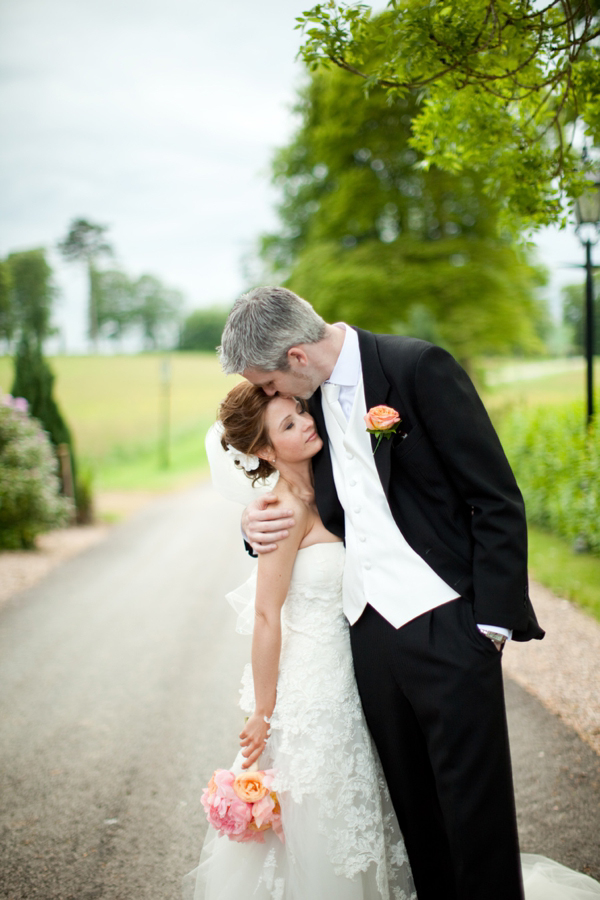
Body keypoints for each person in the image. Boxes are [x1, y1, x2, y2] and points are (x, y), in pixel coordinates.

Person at [217, 285, 562, 900]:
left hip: (451, 626)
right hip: (367, 640)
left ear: (296, 357)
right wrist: (253, 529)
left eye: (267, 383)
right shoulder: (307, 409)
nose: (270, 397)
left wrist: (491, 625)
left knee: (475, 819)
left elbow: (496, 498)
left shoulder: (417, 368)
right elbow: (298, 498)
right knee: (416, 820)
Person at [184, 381, 417, 900]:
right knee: (325, 819)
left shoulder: (333, 480)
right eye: (288, 425)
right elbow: (267, 616)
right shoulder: (279, 513)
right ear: (264, 450)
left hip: (359, 674)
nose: (307, 423)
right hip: (315, 690)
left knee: (365, 804)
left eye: (301, 412)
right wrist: (263, 712)